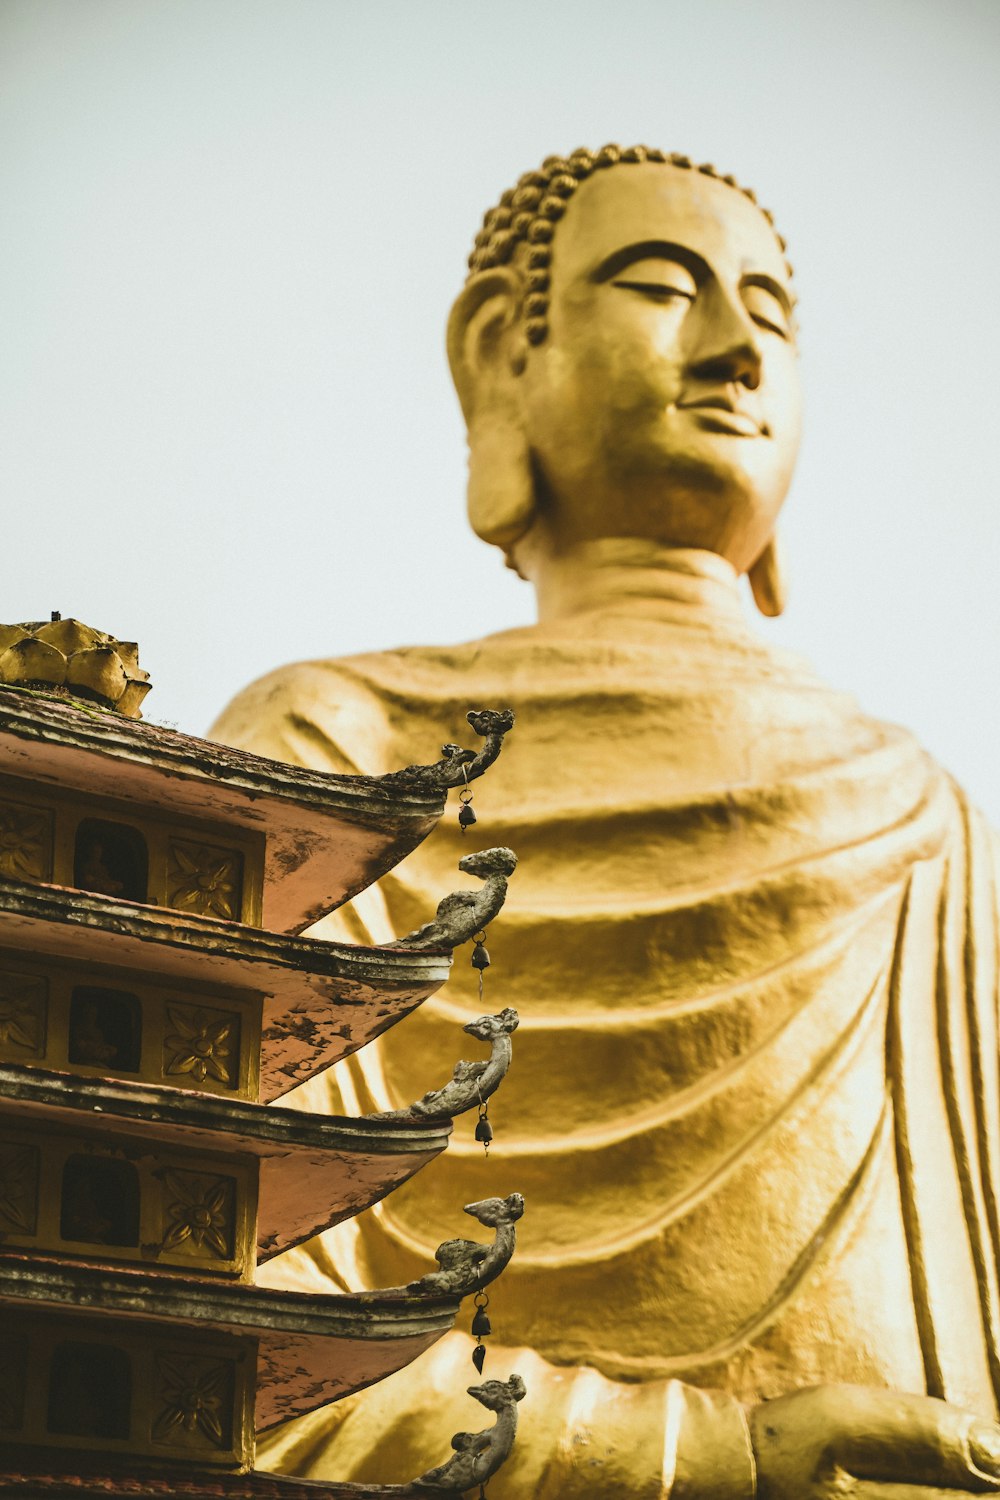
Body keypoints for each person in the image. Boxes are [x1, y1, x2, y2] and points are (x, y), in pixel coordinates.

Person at [213, 145, 1000, 1498]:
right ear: (499, 358)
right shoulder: (340, 750)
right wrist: (721, 1458)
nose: (737, 354)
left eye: (772, 313)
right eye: (661, 287)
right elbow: (218, 1339)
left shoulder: (928, 819)